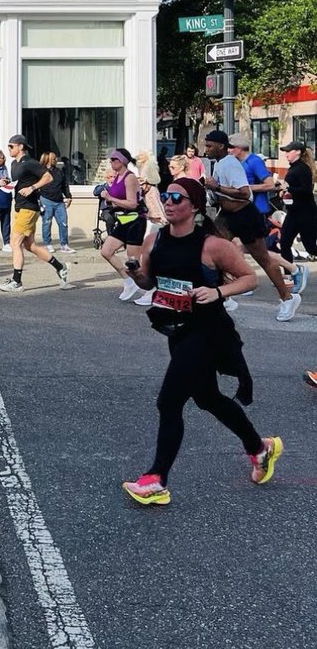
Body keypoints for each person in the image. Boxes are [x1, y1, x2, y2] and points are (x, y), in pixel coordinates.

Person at [121, 177, 282, 506]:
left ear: (193, 206)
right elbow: (150, 280)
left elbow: (250, 278)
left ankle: (156, 479)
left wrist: (217, 291)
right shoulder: (156, 239)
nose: (168, 202)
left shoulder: (211, 245)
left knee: (169, 402)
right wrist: (137, 275)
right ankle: (259, 447)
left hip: (208, 331)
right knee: (207, 398)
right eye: (165, 196)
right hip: (177, 329)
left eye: (176, 198)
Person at [203, 130, 299, 322]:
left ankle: (288, 297)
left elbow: (244, 193)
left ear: (221, 146)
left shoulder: (230, 163)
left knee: (263, 258)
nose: (206, 149)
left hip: (245, 215)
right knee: (208, 252)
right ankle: (223, 296)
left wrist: (217, 188)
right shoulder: (220, 164)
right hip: (226, 216)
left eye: (209, 145)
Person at [0, 136, 72, 293]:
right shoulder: (14, 164)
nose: (9, 149)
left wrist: (32, 188)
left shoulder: (30, 163)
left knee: (15, 243)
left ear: (21, 147)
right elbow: (20, 183)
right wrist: (7, 183)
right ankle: (61, 267)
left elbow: (48, 177)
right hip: (19, 206)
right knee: (29, 245)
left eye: (11, 146)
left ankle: (16, 282)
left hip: (29, 208)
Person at [95, 149, 153, 304]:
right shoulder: (117, 177)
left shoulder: (130, 178)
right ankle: (129, 282)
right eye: (111, 159)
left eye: (114, 159)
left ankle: (151, 290)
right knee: (106, 251)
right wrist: (108, 201)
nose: (111, 161)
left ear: (122, 161)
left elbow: (133, 203)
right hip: (124, 220)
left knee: (133, 261)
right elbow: (117, 200)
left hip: (135, 220)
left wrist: (110, 197)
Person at [276, 140, 317, 266]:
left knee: (310, 247)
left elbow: (306, 190)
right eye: (285, 151)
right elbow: (291, 188)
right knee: (284, 243)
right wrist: (282, 191)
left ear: (298, 152)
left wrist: (287, 188)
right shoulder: (293, 168)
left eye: (289, 151)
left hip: (306, 213)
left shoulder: (302, 169)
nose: (286, 154)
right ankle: (290, 275)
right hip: (293, 212)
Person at [38, 151, 73, 253]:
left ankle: (64, 245)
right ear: (48, 159)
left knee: (63, 223)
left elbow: (64, 185)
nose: (56, 160)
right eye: (53, 158)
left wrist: (68, 196)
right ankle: (47, 244)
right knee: (47, 223)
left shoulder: (59, 171)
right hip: (46, 199)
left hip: (59, 201)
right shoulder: (41, 171)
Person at [135, 148, 167, 232]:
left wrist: (145, 180)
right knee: (148, 213)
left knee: (156, 212)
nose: (139, 156)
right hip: (145, 192)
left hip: (151, 191)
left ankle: (163, 230)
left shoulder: (150, 164)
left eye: (142, 155)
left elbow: (157, 179)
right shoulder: (142, 165)